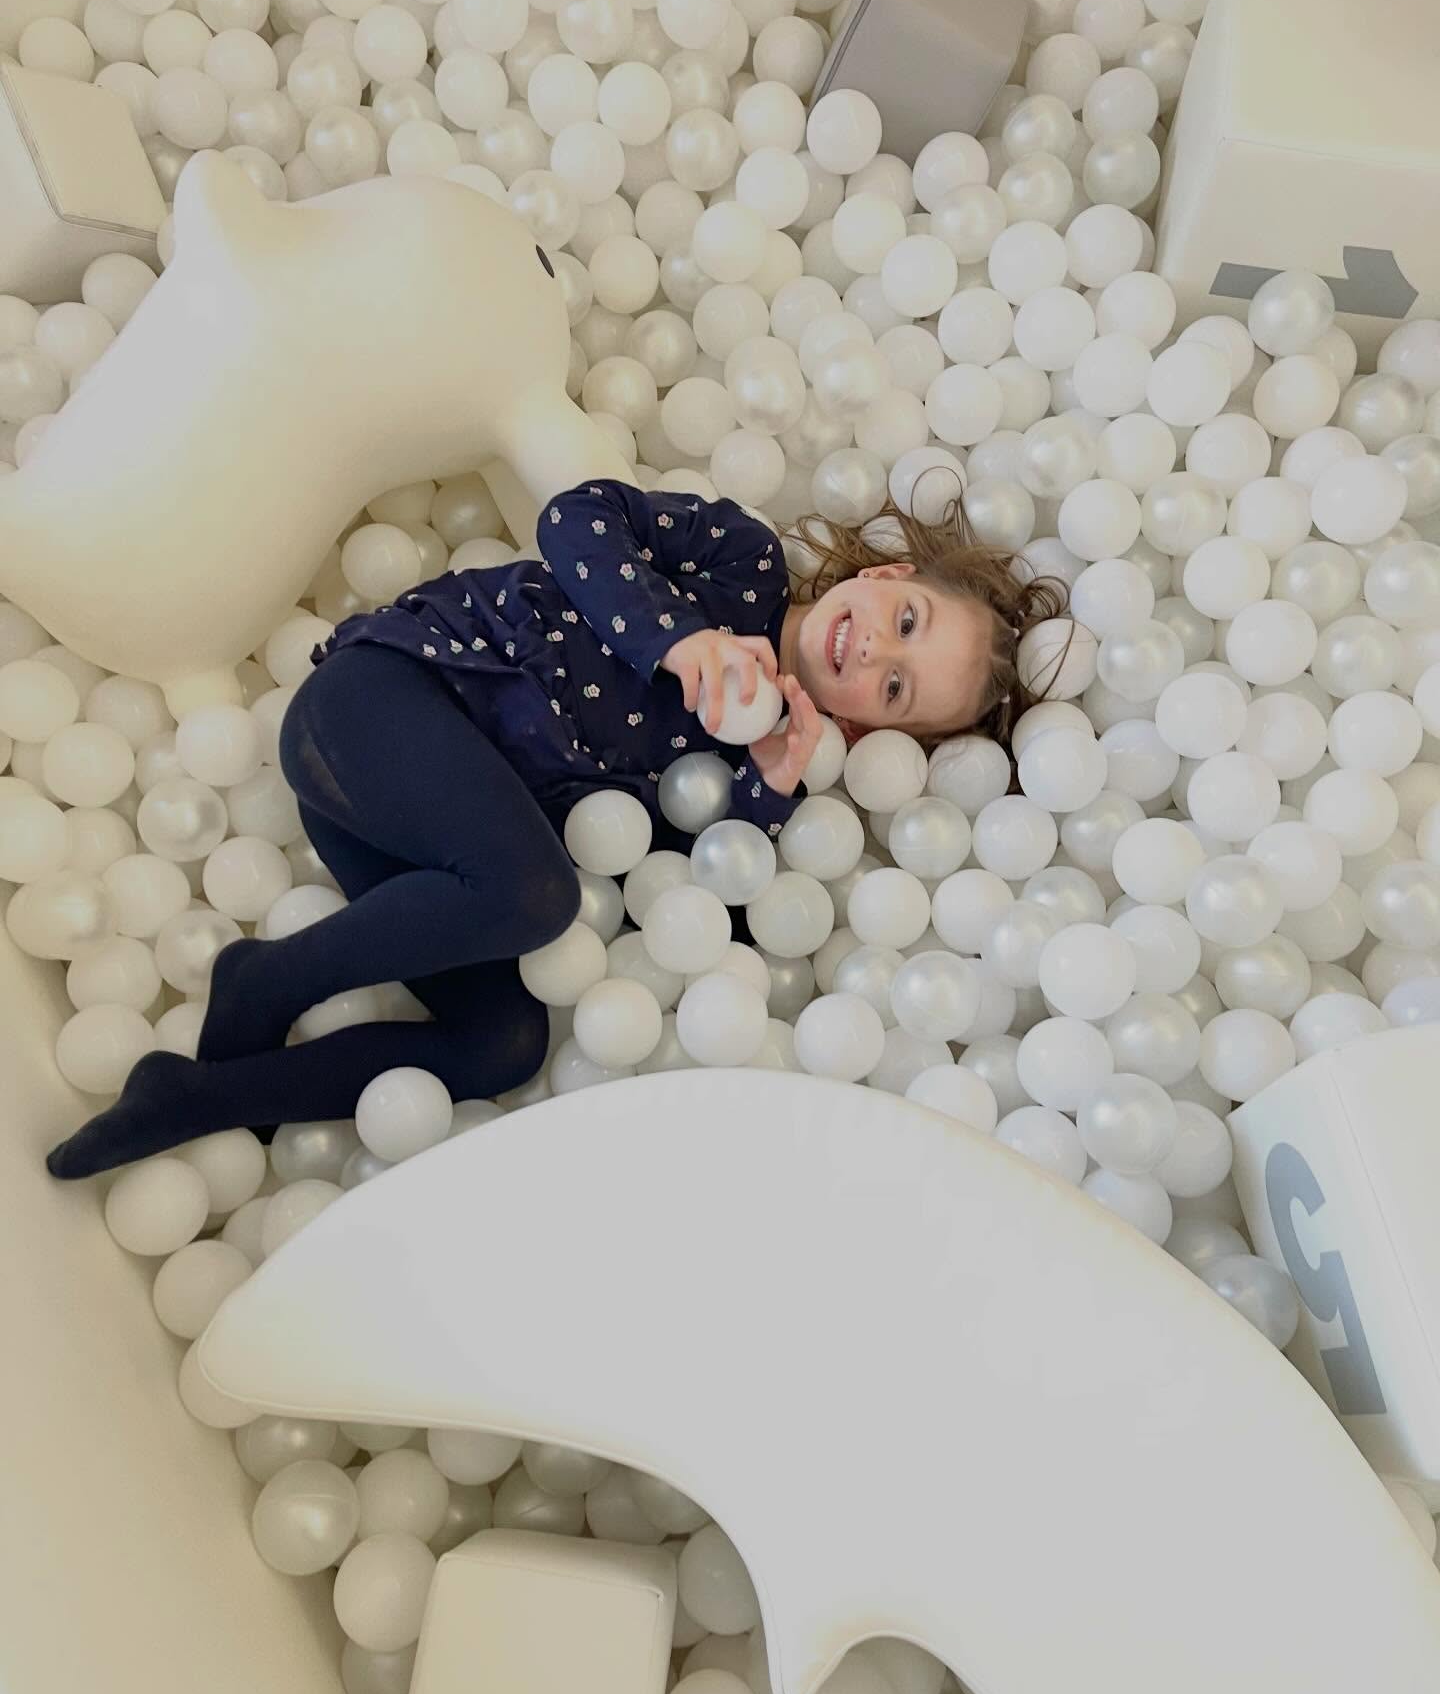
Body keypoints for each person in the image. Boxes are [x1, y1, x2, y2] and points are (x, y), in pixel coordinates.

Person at [47, 477, 1066, 1181]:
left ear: (864, 724)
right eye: (906, 624)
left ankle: (193, 1098)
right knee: (530, 895)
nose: (875, 651)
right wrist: (682, 640)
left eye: (895, 687)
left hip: (409, 843)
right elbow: (579, 520)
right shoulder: (743, 567)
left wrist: (761, 793)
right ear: (883, 582)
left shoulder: (749, 762)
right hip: (380, 701)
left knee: (503, 1043)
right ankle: (260, 982)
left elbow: (674, 899)